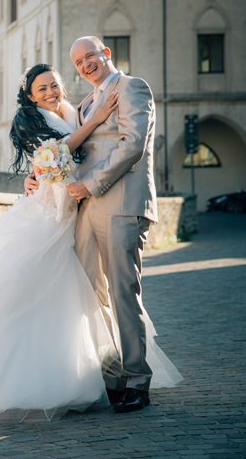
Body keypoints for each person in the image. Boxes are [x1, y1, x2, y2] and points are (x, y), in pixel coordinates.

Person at [0, 63, 181, 422]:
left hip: (79, 210)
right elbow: (50, 154)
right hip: (46, 217)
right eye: (42, 89)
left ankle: (111, 373)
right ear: (29, 95)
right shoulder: (37, 118)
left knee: (87, 295)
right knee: (21, 294)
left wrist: (43, 169)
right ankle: (5, 381)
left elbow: (79, 155)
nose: (51, 92)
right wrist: (53, 158)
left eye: (54, 85)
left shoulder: (76, 109)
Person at [25, 37, 176, 413]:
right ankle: (112, 380)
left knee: (124, 292)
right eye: (78, 61)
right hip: (86, 210)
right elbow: (68, 152)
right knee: (93, 296)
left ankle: (138, 382)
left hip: (123, 205)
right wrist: (34, 178)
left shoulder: (133, 87)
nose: (86, 64)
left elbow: (132, 145)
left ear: (106, 54)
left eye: (90, 56)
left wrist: (89, 184)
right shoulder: (85, 106)